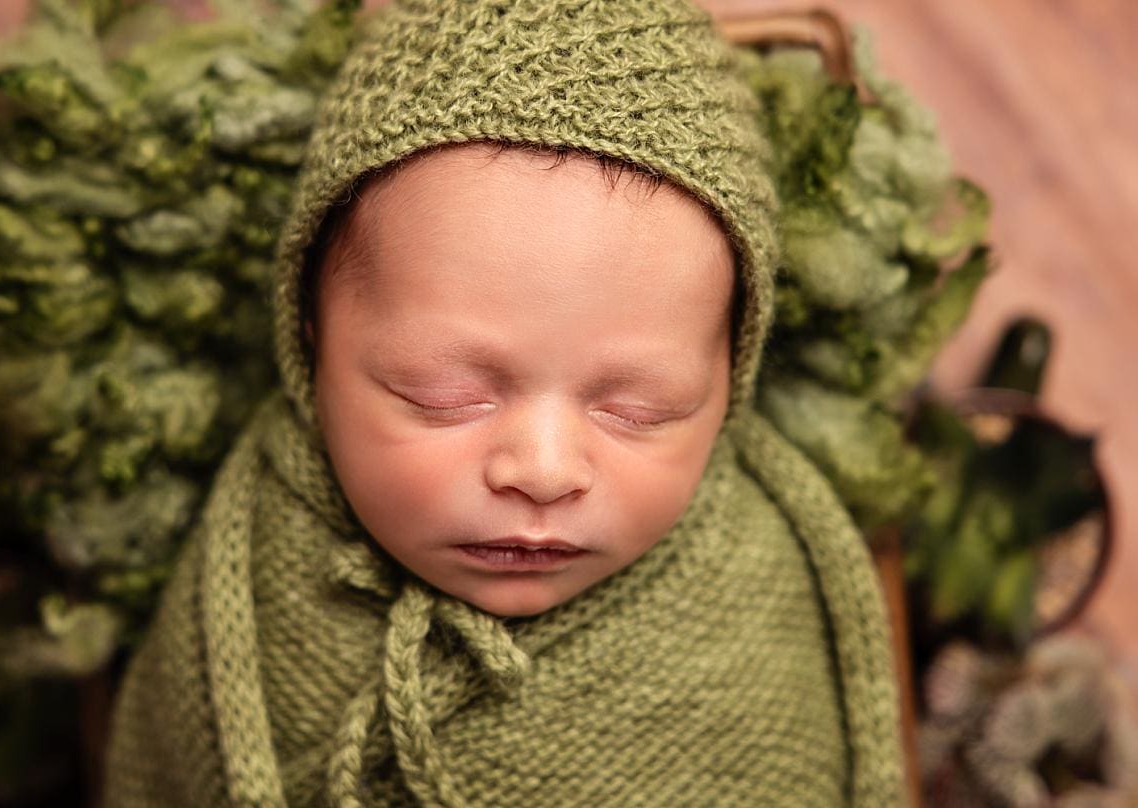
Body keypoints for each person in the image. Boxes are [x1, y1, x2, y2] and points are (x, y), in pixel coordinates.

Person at [102, 0, 906, 804]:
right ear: (309, 339)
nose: (544, 472)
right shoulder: (251, 586)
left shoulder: (757, 622)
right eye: (441, 394)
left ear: (734, 373)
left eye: (642, 408)